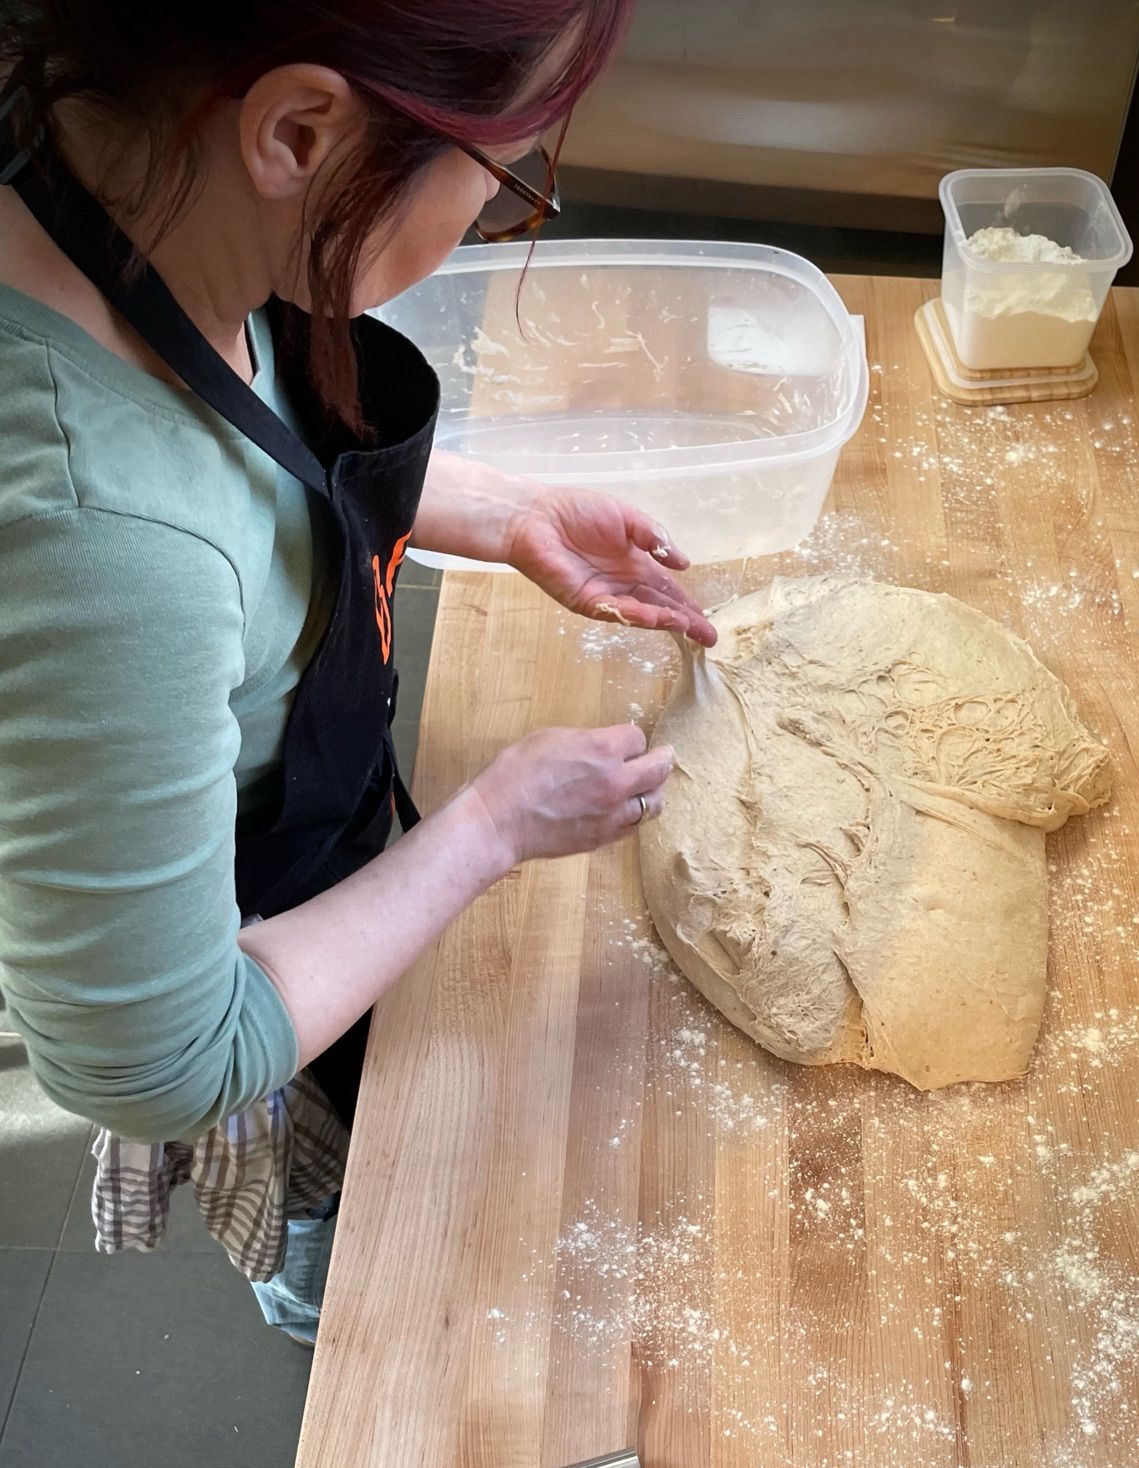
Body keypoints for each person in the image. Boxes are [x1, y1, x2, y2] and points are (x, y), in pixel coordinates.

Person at [0, 1, 716, 1340]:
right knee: (337, 1239)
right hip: (239, 957)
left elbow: (240, 461)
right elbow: (160, 1059)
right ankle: (316, 1294)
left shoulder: (110, 148)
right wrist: (493, 826)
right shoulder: (104, 545)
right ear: (297, 133)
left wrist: (500, 513)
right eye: (502, 184)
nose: (498, 219)